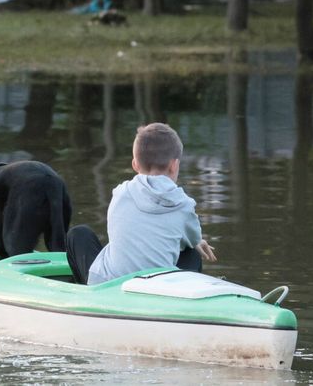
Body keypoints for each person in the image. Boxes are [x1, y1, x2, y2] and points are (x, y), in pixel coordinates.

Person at [66, 122, 217, 285]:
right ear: (174, 166)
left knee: (78, 234)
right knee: (191, 252)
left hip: (109, 286)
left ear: (135, 165)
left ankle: (86, 294)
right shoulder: (184, 205)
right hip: (157, 289)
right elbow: (194, 239)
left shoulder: (120, 193)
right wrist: (196, 242)